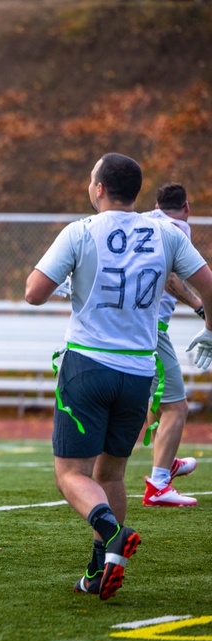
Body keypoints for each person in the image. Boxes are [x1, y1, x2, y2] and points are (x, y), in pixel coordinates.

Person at [25, 153, 212, 601]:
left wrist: (69, 281)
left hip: (88, 364)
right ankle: (101, 569)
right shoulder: (167, 232)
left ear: (98, 188)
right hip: (139, 371)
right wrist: (209, 326)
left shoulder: (81, 231)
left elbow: (34, 293)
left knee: (71, 474)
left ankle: (111, 531)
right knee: (112, 474)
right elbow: (209, 283)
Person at [141, 183, 201, 507]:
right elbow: (168, 277)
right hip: (151, 327)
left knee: (158, 402)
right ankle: (159, 484)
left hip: (135, 324)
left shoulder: (142, 219)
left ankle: (169, 460)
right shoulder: (176, 228)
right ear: (187, 207)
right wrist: (198, 304)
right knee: (177, 407)